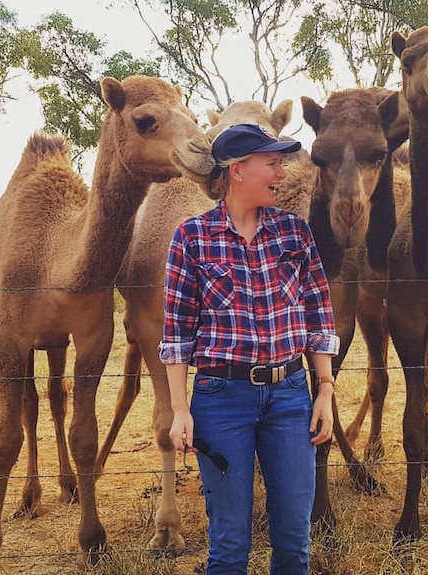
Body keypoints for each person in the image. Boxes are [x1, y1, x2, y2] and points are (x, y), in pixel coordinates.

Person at [159, 123, 339, 575]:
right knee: (230, 544)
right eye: (272, 163)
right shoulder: (192, 238)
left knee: (295, 542)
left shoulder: (294, 232)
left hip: (290, 395)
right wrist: (181, 410)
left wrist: (325, 389)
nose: (282, 172)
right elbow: (177, 334)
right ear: (238, 170)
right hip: (222, 402)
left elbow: (319, 317)